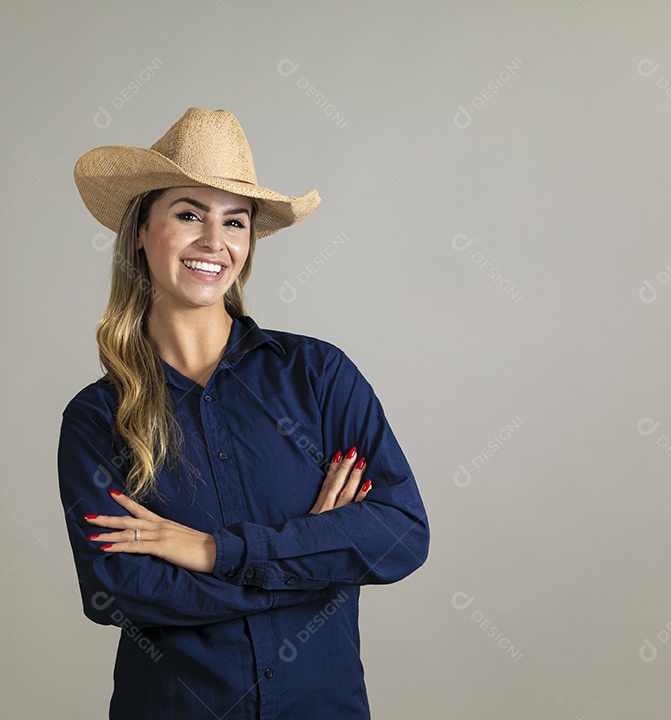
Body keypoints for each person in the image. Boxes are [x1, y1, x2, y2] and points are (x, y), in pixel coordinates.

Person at [58, 106, 430, 720]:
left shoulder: (318, 376)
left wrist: (212, 551)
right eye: (188, 214)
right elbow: (115, 592)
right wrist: (310, 562)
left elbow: (398, 534)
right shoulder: (98, 418)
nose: (214, 241)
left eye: (235, 222)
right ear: (142, 233)